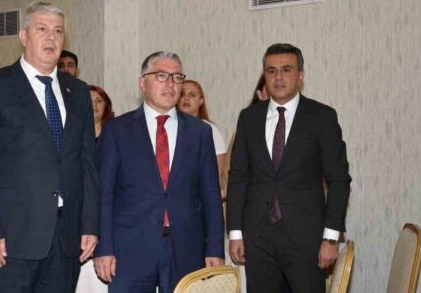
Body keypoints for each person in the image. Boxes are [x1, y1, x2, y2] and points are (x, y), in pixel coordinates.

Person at [0, 1, 99, 293]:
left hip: (66, 237)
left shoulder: (78, 91)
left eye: (58, 31)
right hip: (11, 238)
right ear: (24, 36)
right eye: (42, 29)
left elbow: (87, 162)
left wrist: (89, 224)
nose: (51, 38)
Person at [94, 52, 225, 293]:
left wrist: (215, 248)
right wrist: (104, 247)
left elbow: (211, 196)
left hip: (186, 248)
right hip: (130, 249)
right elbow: (104, 196)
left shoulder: (200, 133)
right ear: (142, 83)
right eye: (161, 76)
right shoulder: (116, 131)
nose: (170, 83)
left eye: (177, 77)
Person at [226, 43, 351, 293]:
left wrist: (330, 238)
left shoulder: (322, 117)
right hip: (257, 237)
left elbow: (339, 180)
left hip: (306, 237)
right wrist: (235, 233)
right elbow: (238, 177)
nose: (278, 77)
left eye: (286, 69)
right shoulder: (249, 118)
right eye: (271, 71)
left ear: (300, 76)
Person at [177, 79, 228, 188]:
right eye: (182, 94)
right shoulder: (166, 127)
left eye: (192, 95)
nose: (186, 98)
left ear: (201, 101)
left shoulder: (210, 130)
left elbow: (217, 175)